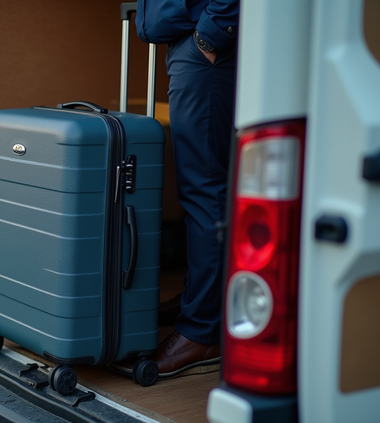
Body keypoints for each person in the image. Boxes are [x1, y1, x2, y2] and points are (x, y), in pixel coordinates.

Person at [135, 0, 239, 379]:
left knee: (205, 188)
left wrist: (210, 36)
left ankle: (202, 330)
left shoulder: (206, 43)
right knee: (200, 186)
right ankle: (197, 302)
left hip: (205, 46)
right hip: (190, 45)